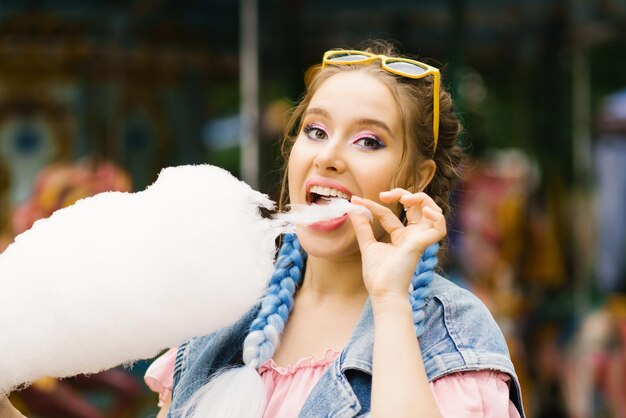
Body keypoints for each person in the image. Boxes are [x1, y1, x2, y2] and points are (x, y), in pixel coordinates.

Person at [145, 41, 524, 418]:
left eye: (368, 141)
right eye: (316, 131)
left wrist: (391, 301)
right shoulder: (221, 314)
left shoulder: (456, 336)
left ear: (416, 179)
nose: (327, 157)